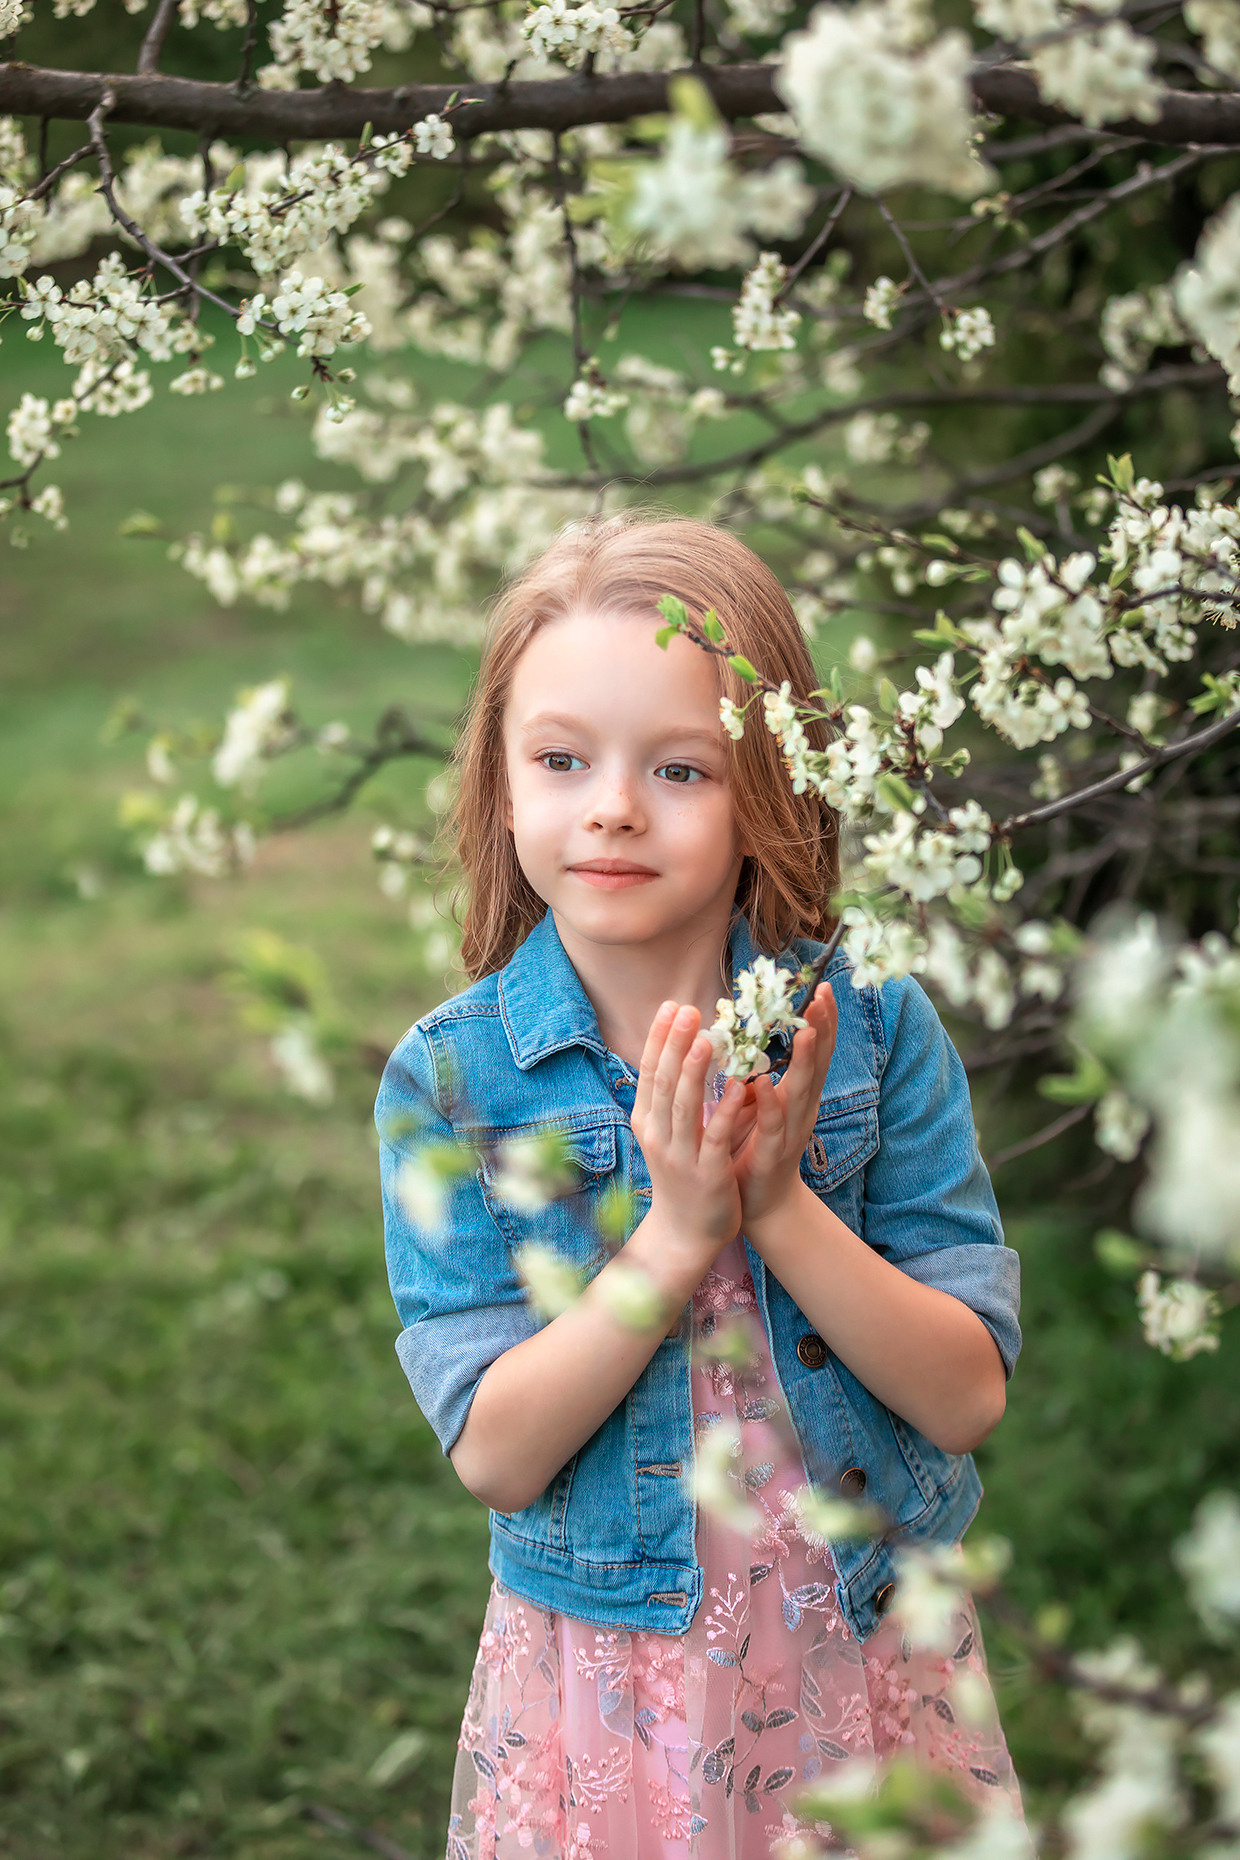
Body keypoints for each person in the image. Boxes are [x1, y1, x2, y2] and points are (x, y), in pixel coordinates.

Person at [375, 512, 1027, 1857]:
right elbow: (497, 1452)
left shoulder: (877, 1034)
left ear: (769, 793)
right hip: (622, 1679)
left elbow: (964, 1396)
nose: (611, 805)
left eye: (679, 767)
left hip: (863, 1641)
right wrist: (676, 1238)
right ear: (503, 785)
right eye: (562, 759)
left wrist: (778, 1202)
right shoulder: (451, 1084)